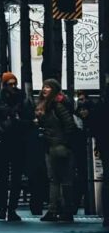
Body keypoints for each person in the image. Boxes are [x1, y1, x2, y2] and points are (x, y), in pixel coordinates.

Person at [0, 71, 33, 221]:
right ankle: (2, 207)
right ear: (4, 85)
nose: (13, 87)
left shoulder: (22, 99)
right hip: (3, 142)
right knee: (3, 176)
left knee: (16, 177)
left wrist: (20, 123)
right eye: (9, 84)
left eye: (14, 84)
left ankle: (12, 208)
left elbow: (30, 120)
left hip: (18, 141)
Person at [35, 78, 77, 222]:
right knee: (57, 179)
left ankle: (59, 210)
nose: (44, 89)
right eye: (44, 86)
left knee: (60, 179)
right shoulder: (49, 105)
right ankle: (60, 210)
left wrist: (63, 142)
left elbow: (69, 125)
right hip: (53, 145)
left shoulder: (56, 106)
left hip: (58, 146)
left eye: (48, 87)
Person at [78, 90, 109, 229]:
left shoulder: (102, 105)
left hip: (105, 145)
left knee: (106, 180)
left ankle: (107, 216)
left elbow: (95, 125)